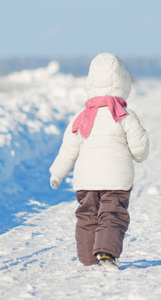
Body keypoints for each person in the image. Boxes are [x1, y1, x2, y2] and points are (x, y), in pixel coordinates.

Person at [49, 52, 149, 269]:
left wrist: (57, 174)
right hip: (117, 180)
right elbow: (141, 151)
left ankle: (87, 258)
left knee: (87, 216)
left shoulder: (81, 117)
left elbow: (68, 150)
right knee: (112, 214)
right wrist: (138, 153)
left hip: (86, 180)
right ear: (124, 83)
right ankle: (106, 252)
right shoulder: (124, 115)